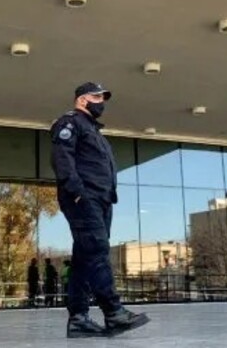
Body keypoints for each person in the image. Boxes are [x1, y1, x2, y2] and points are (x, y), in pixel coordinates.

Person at [51, 82, 150, 338]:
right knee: (97, 250)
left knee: (84, 258)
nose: (101, 102)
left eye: (103, 97)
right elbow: (62, 158)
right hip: (83, 198)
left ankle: (79, 319)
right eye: (97, 97)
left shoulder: (94, 131)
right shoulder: (70, 122)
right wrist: (77, 193)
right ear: (83, 100)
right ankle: (114, 312)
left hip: (102, 200)